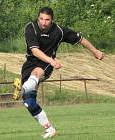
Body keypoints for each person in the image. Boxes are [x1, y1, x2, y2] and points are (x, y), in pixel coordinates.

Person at [13, 7, 104, 139]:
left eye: (47, 20)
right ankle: (49, 129)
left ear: (52, 20)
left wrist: (95, 51)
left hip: (45, 65)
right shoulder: (30, 27)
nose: (43, 23)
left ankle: (24, 86)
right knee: (29, 102)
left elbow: (80, 39)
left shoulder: (59, 31)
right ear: (38, 18)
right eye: (41, 19)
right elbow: (35, 51)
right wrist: (53, 61)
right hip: (30, 63)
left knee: (36, 74)